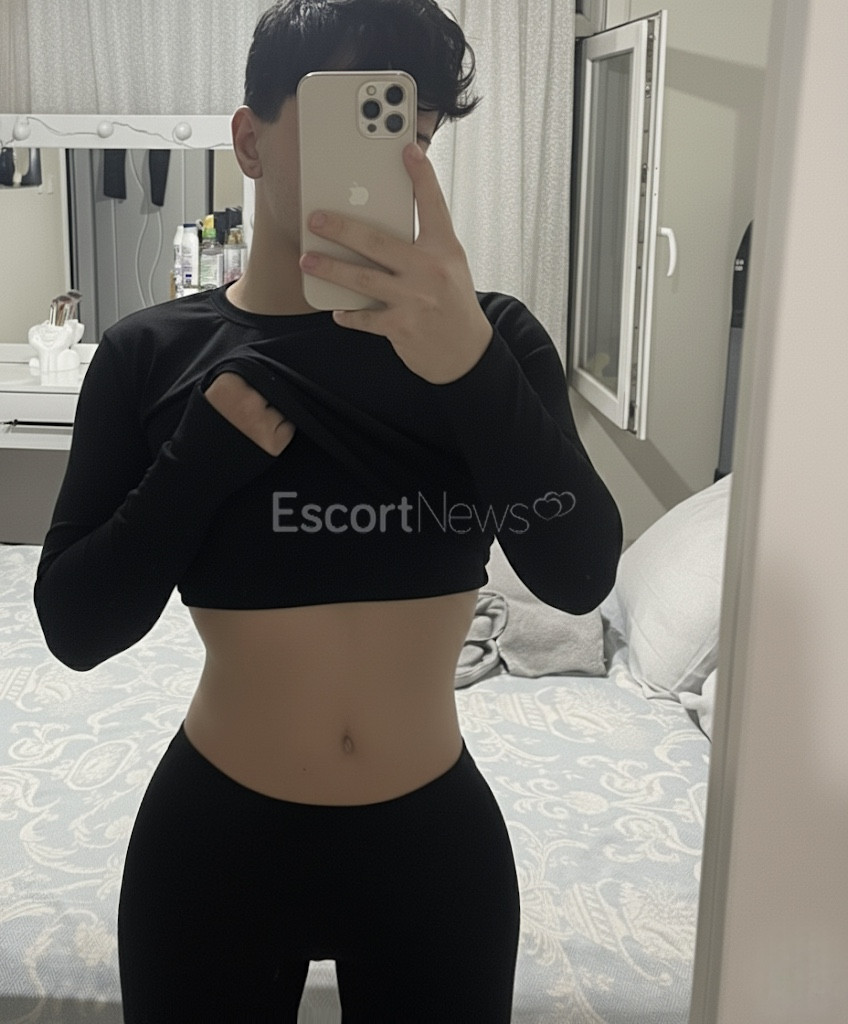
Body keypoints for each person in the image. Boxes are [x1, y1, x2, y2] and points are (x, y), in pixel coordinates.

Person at [33, 1, 623, 1020]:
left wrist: (468, 365)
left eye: (414, 134)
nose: (393, 162)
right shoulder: (150, 356)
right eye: (359, 122)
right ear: (250, 141)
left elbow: (578, 575)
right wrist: (195, 465)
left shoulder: (491, 340)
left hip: (430, 848)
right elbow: (77, 627)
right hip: (214, 842)